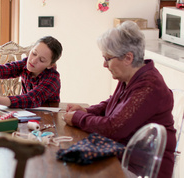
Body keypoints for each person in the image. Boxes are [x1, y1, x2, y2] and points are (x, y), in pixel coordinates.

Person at [62, 21, 176, 178]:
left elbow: (114, 128)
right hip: (125, 156)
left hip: (143, 169)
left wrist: (78, 118)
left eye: (107, 58)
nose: (104, 64)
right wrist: (88, 110)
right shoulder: (131, 77)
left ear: (128, 58)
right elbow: (112, 103)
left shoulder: (149, 86)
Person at [0, 36, 63, 108]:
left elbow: (32, 99)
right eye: (33, 53)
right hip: (27, 113)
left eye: (41, 60)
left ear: (51, 65)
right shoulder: (26, 63)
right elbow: (7, 69)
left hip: (49, 117)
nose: (33, 60)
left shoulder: (53, 78)